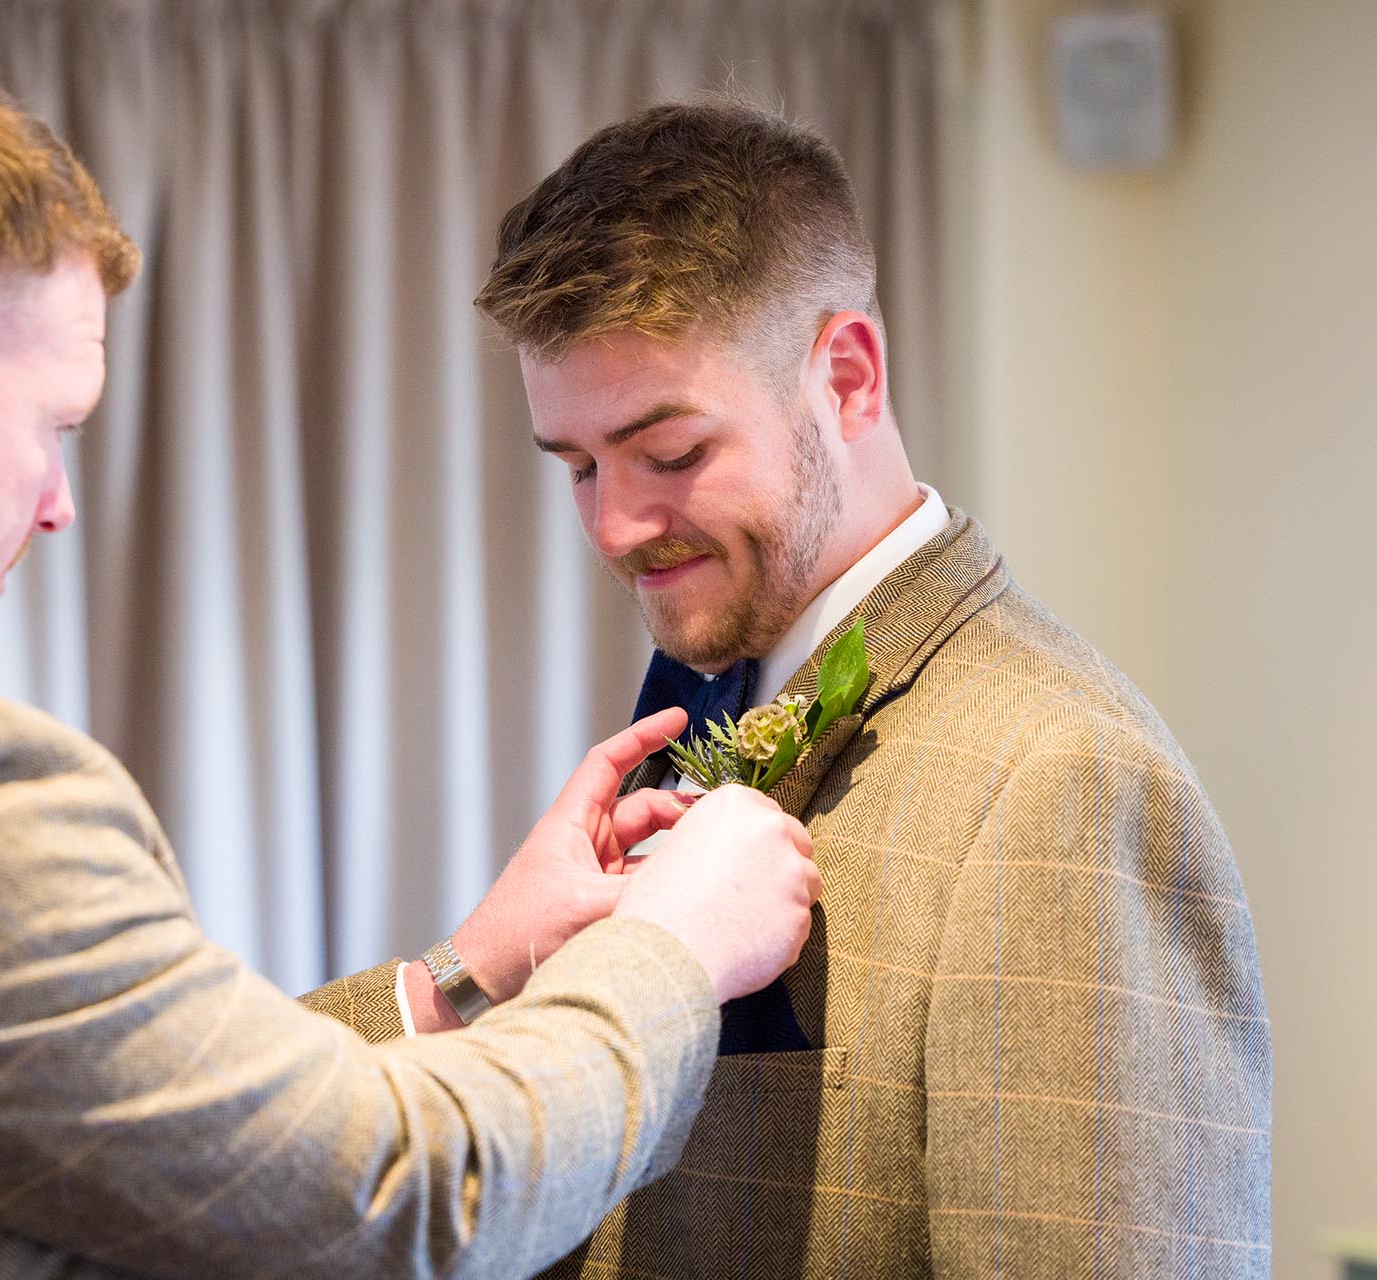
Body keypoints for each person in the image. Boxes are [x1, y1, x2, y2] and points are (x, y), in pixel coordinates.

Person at [0, 53, 827, 1278]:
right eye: (54, 425)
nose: (56, 502)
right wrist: (666, 946)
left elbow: (132, 1142)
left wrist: (463, 974)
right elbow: (404, 1206)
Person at [307, 100, 1272, 1277]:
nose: (615, 525)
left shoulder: (1062, 782)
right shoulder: (690, 721)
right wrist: (469, 969)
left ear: (850, 375)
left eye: (670, 454)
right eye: (579, 466)